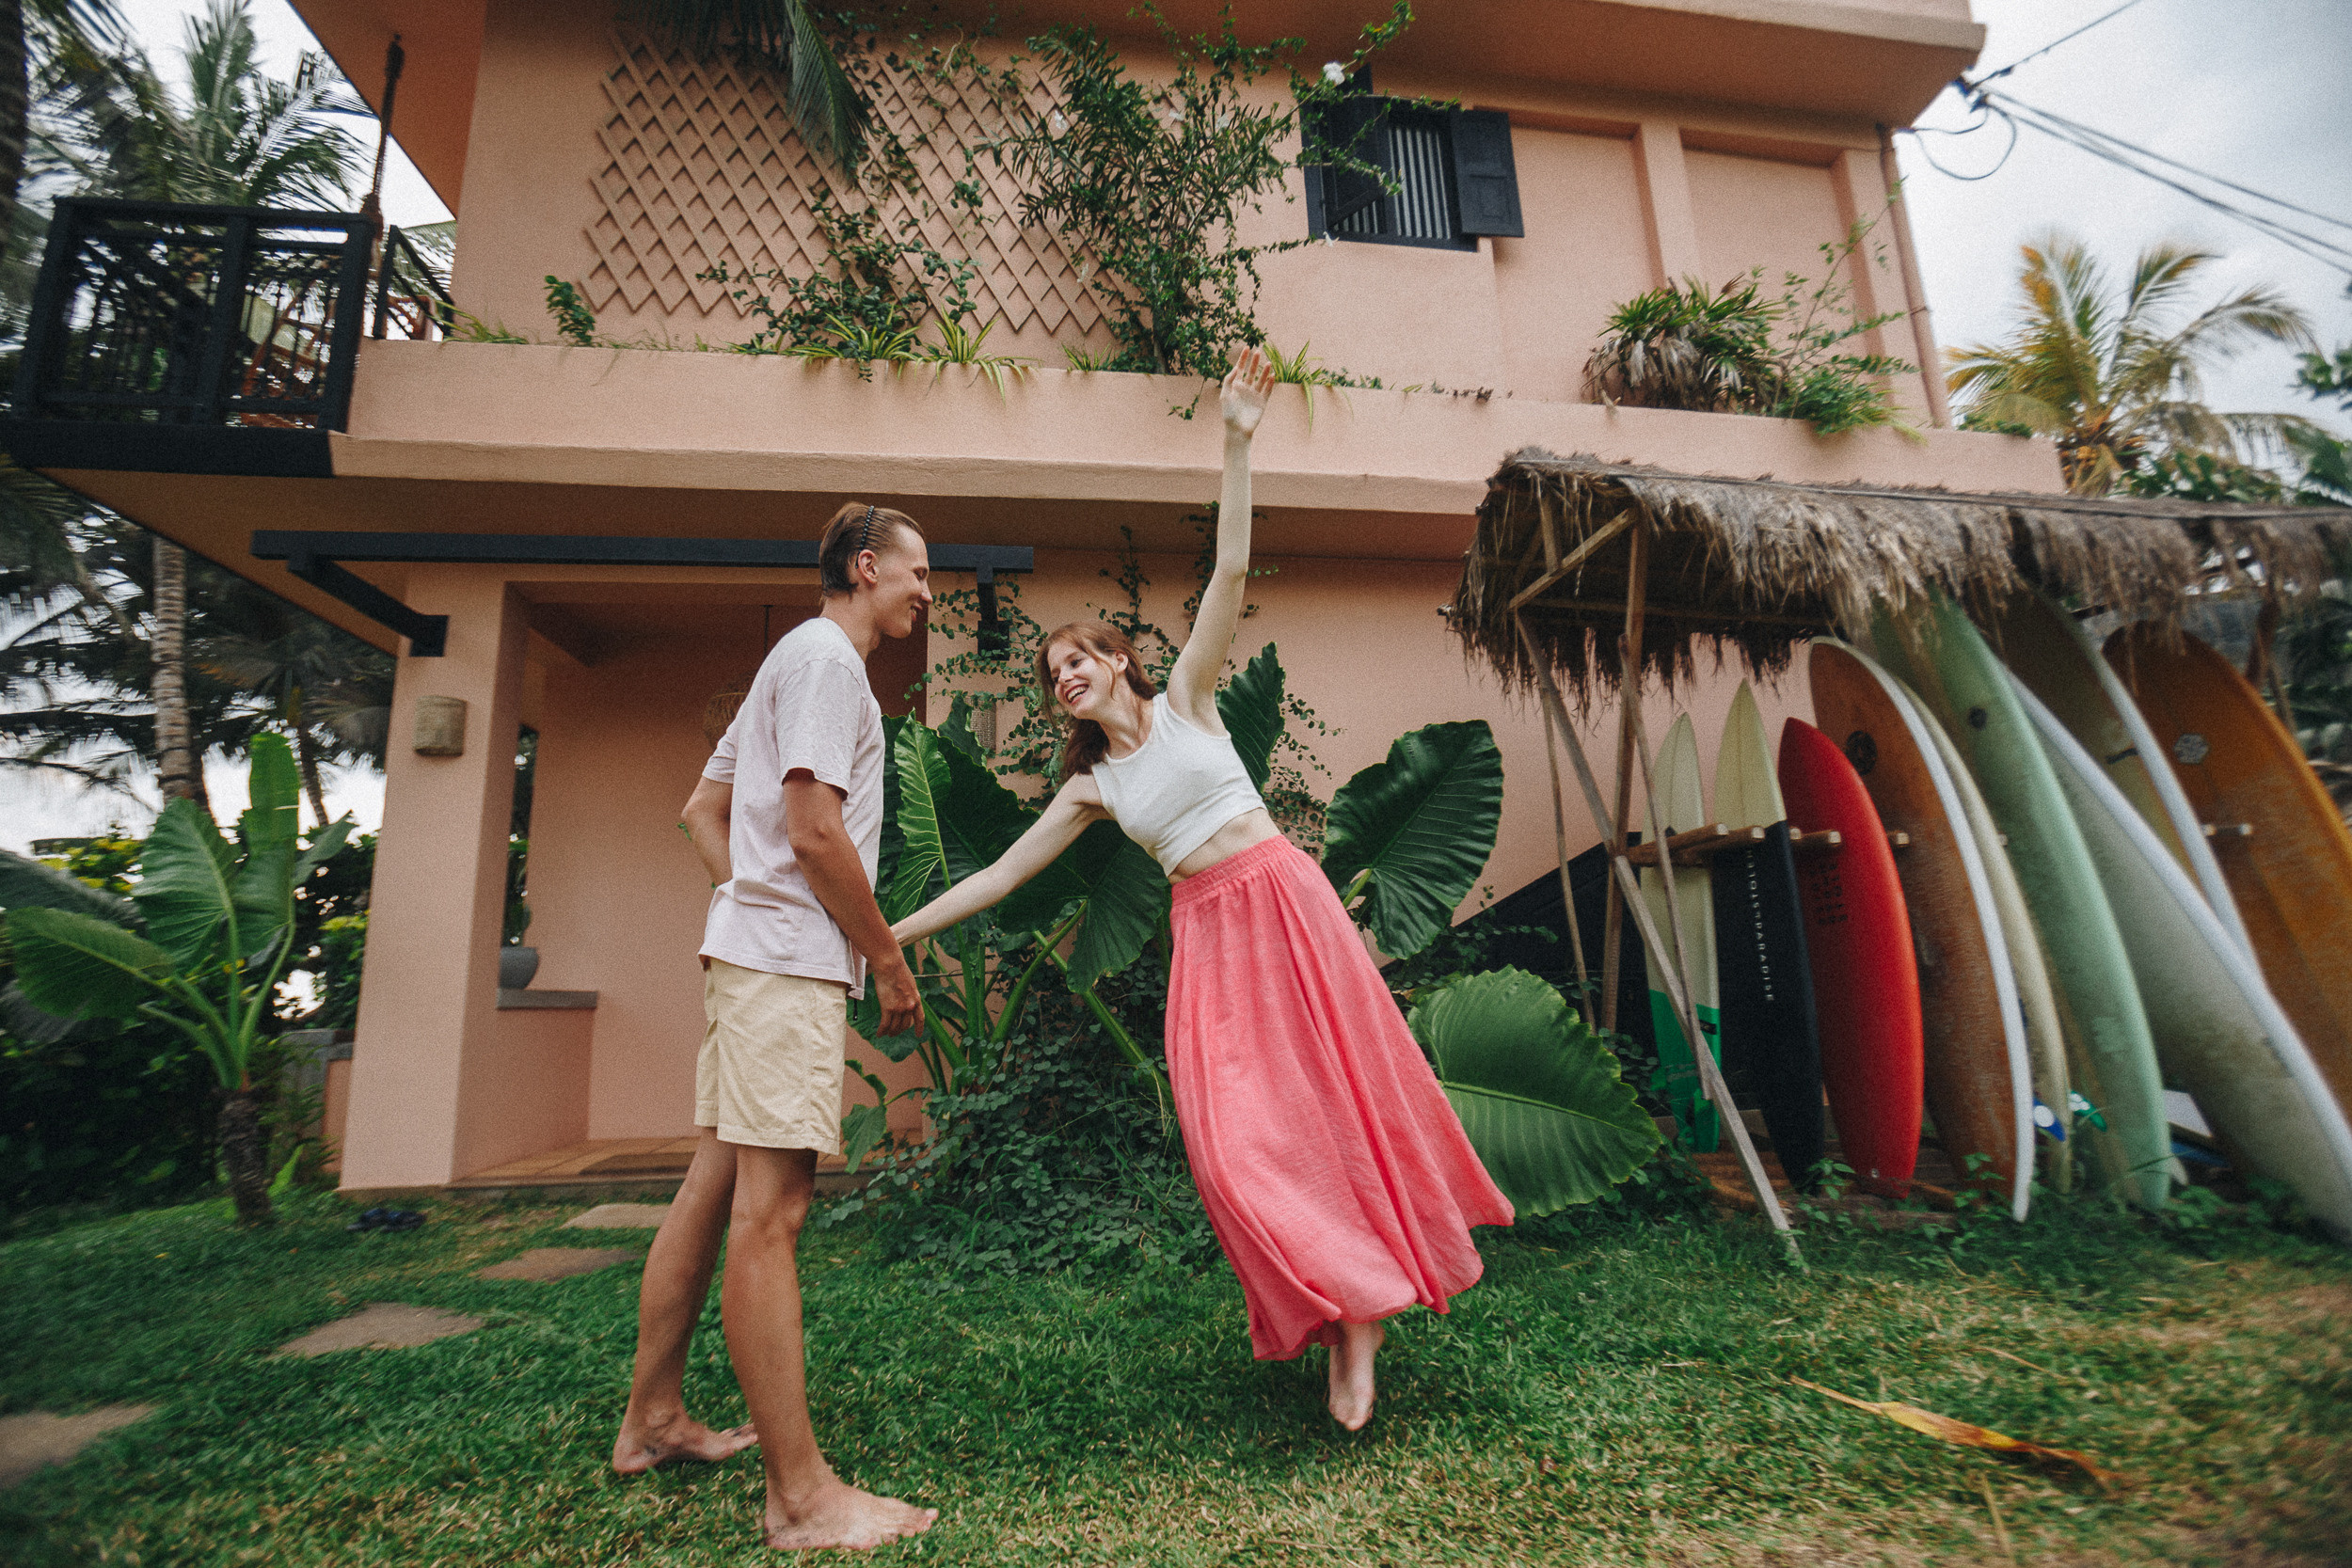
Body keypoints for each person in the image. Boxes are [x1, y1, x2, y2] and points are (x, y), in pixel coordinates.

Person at [890, 350, 1512, 1429]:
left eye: (1077, 655)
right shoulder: (1091, 784)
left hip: (1282, 898)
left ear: (1119, 660)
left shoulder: (1188, 700)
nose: (1064, 674)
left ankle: (1357, 1326)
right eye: (1051, 673)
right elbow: (997, 872)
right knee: (1232, 1150)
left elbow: (1227, 575)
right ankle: (1339, 1298)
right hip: (1208, 939)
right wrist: (888, 925)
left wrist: (1235, 437)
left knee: (1340, 1107)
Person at [612, 501, 939, 1550]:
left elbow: (701, 814)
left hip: (758, 954)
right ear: (863, 564)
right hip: (785, 967)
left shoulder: (786, 665)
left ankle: (653, 1419)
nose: (926, 591)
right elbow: (810, 825)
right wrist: (880, 954)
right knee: (773, 1207)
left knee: (716, 1181)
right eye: (916, 571)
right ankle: (800, 1498)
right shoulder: (826, 662)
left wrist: (747, 908)